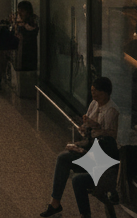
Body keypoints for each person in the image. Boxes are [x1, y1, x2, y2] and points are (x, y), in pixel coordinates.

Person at [40, 77, 120, 218]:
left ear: (106, 93)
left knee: (68, 164)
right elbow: (87, 128)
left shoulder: (111, 110)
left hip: (102, 153)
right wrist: (84, 127)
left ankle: (78, 211)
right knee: (62, 158)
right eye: (92, 91)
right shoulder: (94, 104)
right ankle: (55, 202)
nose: (94, 95)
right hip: (91, 147)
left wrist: (95, 126)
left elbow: (111, 136)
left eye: (97, 92)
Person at [0, 0, 38, 93]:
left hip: (24, 51)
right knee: (0, 45)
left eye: (22, 11)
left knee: (1, 51)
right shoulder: (24, 21)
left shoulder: (31, 22)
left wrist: (19, 24)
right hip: (19, 47)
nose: (20, 13)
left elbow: (27, 32)